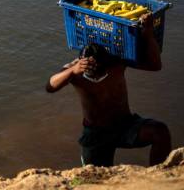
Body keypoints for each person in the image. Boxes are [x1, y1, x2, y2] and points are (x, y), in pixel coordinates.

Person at [46, 14, 171, 167]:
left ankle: (159, 176)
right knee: (93, 175)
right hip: (96, 132)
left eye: (100, 72)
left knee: (160, 131)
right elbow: (50, 86)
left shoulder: (117, 62)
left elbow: (154, 65)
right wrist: (72, 71)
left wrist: (148, 33)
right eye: (91, 72)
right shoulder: (75, 70)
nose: (97, 76)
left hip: (125, 124)